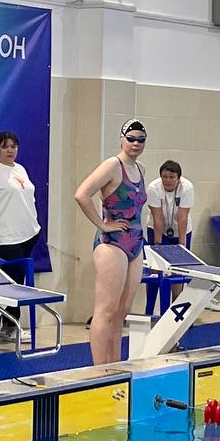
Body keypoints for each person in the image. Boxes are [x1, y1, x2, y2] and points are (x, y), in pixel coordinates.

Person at [75, 119, 148, 365]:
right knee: (106, 310)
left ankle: (114, 365)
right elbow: (82, 194)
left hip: (135, 243)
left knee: (122, 311)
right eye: (131, 139)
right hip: (112, 243)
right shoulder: (112, 165)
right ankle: (99, 370)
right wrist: (103, 224)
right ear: (121, 139)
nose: (136, 143)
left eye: (141, 140)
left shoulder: (141, 169)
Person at [0, 130, 41, 341]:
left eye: (13, 146)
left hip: (29, 233)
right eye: (5, 146)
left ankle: (10, 325)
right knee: (11, 283)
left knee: (19, 281)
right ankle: (10, 327)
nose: (10, 150)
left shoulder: (20, 169)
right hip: (6, 236)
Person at [145, 160, 210, 308]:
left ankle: (175, 310)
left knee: (178, 272)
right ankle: (150, 307)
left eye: (172, 177)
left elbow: (182, 217)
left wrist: (182, 246)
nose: (167, 180)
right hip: (156, 229)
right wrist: (157, 245)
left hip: (181, 229)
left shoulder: (187, 187)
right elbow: (158, 218)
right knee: (156, 271)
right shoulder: (153, 188)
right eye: (164, 177)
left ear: (178, 178)